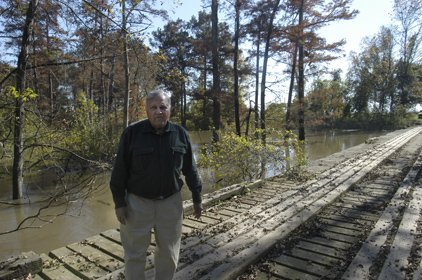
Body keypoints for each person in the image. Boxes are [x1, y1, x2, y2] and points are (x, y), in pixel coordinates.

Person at [109, 89, 202, 280]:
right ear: (146, 110)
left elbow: (190, 170)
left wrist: (197, 197)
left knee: (169, 253)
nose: (158, 111)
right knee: (135, 254)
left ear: (170, 109)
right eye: (153, 107)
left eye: (163, 107)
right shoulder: (132, 133)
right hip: (137, 203)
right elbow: (119, 171)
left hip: (171, 203)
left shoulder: (180, 134)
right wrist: (119, 202)